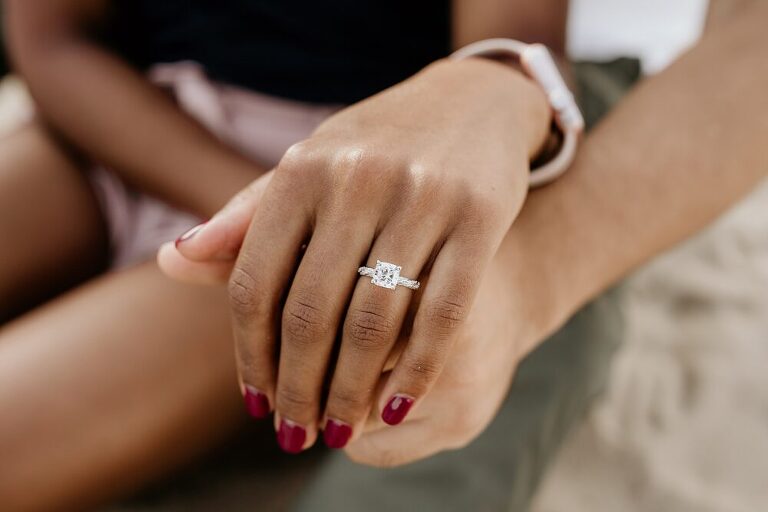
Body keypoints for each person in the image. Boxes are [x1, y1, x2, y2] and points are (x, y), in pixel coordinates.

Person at [0, 1, 765, 511]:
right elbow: (52, 38)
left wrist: (316, 233)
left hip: (364, 169)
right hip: (124, 129)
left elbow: (519, 48)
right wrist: (265, 213)